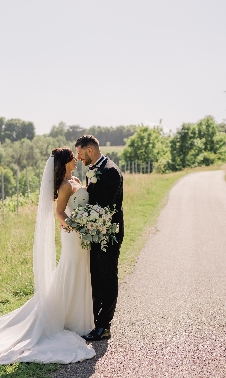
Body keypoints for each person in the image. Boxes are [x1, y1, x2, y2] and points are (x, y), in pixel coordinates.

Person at [0, 147, 95, 364]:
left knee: (82, 270)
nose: (76, 160)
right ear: (65, 162)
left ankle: (82, 319)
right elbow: (60, 212)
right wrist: (76, 227)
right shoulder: (65, 186)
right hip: (74, 235)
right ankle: (71, 321)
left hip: (83, 234)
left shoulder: (74, 178)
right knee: (71, 269)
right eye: (73, 158)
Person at [75, 135, 124, 341]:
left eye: (79, 153)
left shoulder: (110, 171)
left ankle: (105, 325)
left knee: (108, 278)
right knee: (95, 278)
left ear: (90, 151)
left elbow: (103, 208)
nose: (78, 158)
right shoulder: (94, 169)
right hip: (96, 233)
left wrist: (78, 219)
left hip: (108, 234)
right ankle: (94, 321)